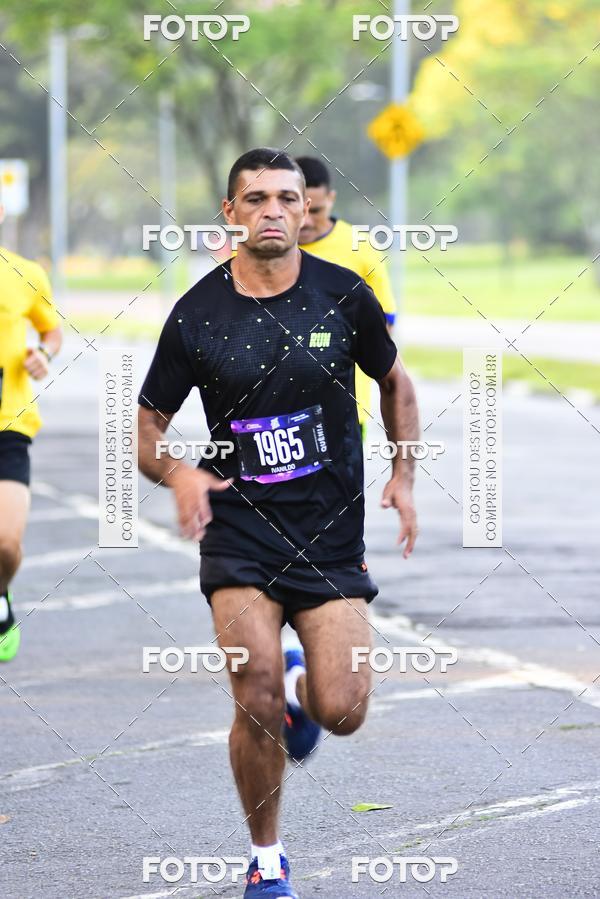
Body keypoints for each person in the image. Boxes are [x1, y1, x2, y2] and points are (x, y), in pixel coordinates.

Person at [137, 148, 419, 898]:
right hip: (238, 529)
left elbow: (394, 381)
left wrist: (404, 473)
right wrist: (181, 471)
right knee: (251, 685)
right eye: (254, 198)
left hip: (329, 533)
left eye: (285, 198)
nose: (271, 210)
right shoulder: (197, 313)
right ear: (230, 213)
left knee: (345, 709)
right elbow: (145, 427)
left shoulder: (344, 295)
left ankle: (305, 697)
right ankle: (266, 859)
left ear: (307, 211)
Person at [296, 156, 396, 441]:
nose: (305, 221)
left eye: (315, 209)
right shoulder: (258, 250)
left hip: (345, 407)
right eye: (297, 208)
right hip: (273, 411)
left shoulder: (359, 246)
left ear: (331, 198)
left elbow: (385, 322)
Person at [0, 208, 62, 662]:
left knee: (5, 543)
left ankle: (0, 594)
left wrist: (41, 352)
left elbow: (51, 331)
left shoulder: (26, 273)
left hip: (9, 425)